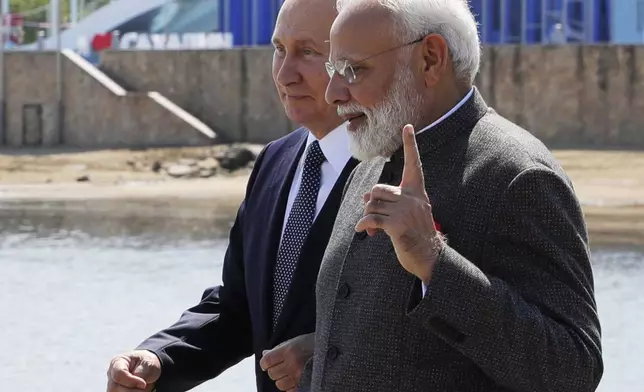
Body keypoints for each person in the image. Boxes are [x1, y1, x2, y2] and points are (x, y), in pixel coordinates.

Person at [299, 0, 603, 391]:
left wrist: (433, 261)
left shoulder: (518, 175)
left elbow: (573, 370)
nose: (333, 93)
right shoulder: (366, 171)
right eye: (332, 70)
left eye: (353, 70)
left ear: (430, 58)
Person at [105, 0, 357, 391]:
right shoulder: (275, 161)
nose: (285, 74)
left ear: (354, 61)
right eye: (278, 49)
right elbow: (239, 306)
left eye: (308, 52)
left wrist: (325, 352)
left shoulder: (401, 167)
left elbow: (426, 326)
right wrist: (159, 357)